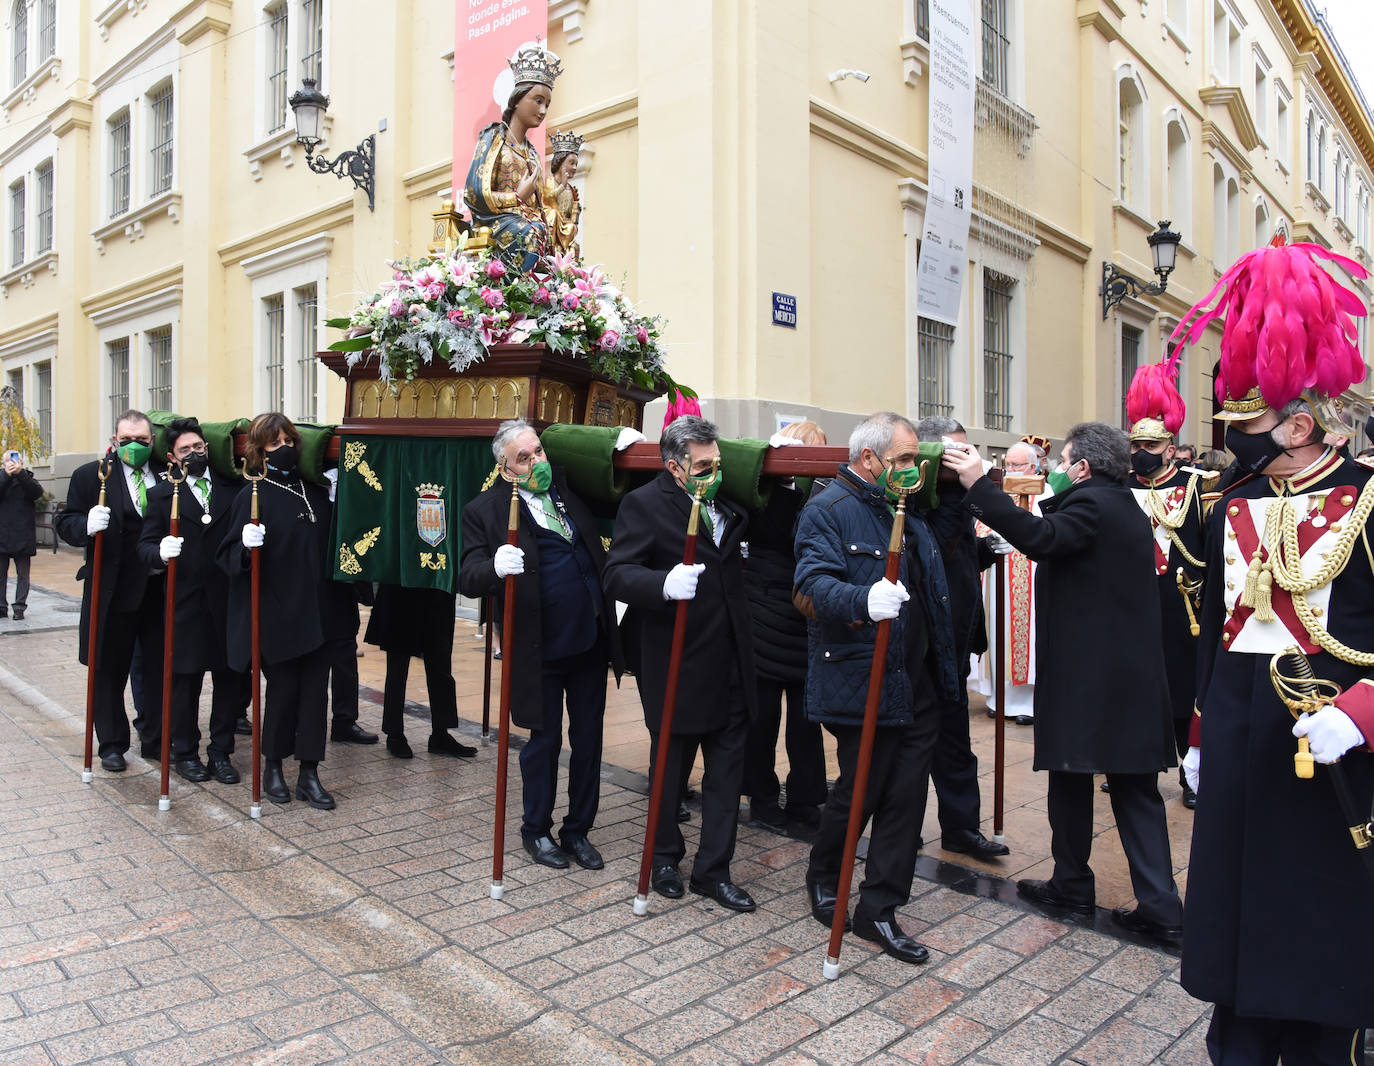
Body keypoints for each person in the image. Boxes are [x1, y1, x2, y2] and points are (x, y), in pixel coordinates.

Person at [1172, 237, 1374, 1063]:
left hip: (1334, 757)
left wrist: (1361, 717)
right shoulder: (1235, 502)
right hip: (1242, 754)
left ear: (1300, 422)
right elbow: (1215, 633)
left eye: (1249, 424)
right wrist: (1198, 733)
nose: (1235, 438)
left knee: (1323, 950)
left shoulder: (1367, 502)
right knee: (1239, 945)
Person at [944, 422, 1185, 947]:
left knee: (1074, 777)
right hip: (1126, 675)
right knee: (1130, 789)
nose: (1056, 471)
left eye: (1064, 462)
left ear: (1081, 467)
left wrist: (979, 484)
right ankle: (1156, 905)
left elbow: (1040, 539)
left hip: (1091, 676)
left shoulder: (1094, 504)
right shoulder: (1121, 503)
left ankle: (1076, 885)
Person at [794, 412, 958, 963]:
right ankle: (825, 873)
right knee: (860, 790)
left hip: (917, 681)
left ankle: (880, 908)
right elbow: (812, 585)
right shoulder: (828, 510)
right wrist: (861, 600)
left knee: (907, 799)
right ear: (869, 459)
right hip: (862, 674)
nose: (914, 470)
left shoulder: (903, 507)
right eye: (905, 459)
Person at [603, 415, 757, 909]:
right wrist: (662, 585)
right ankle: (663, 858)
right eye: (705, 465)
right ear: (674, 467)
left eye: (718, 464)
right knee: (671, 769)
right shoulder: (644, 505)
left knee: (727, 773)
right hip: (677, 661)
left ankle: (715, 870)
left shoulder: (728, 508)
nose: (715, 473)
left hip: (731, 660)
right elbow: (618, 574)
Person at [460, 419, 623, 870]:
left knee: (588, 739)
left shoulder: (567, 494)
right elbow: (467, 575)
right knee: (543, 743)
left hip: (589, 640)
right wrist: (494, 564)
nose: (536, 462)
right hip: (540, 648)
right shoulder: (486, 511)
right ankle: (536, 830)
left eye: (538, 452)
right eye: (524, 458)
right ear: (506, 469)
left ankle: (578, 830)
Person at [217, 413, 337, 810]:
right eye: (274, 443)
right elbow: (227, 557)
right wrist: (245, 548)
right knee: (284, 693)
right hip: (277, 611)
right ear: (259, 450)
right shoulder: (252, 494)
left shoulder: (317, 493)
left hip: (318, 611)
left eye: (288, 440)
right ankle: (272, 766)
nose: (284, 447)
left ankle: (309, 772)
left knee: (316, 695)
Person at [913, 415, 1008, 861]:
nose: (965, 459)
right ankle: (903, 826)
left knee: (955, 741)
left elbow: (955, 561)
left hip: (956, 634)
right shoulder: (918, 496)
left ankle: (961, 827)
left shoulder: (961, 496)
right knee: (911, 744)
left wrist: (984, 551)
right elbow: (929, 555)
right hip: (921, 640)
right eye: (955, 451)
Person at [135, 418, 247, 784]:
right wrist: (158, 554)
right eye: (186, 450)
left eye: (199, 448)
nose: (195, 454)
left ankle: (221, 752)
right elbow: (145, 546)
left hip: (227, 601)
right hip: (185, 603)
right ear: (172, 457)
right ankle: (185, 752)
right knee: (185, 682)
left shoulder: (234, 489)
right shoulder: (162, 495)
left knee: (230, 680)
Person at [55, 410, 165, 772]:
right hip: (113, 591)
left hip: (157, 588)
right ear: (115, 441)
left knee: (157, 668)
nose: (134, 446)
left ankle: (154, 737)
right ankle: (112, 743)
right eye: (126, 440)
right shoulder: (93, 475)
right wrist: (85, 523)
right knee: (109, 669)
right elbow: (65, 521)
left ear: (153, 441)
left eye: (142, 440)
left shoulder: (166, 474)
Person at [1124, 360, 1206, 809]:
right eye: (1136, 444)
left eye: (1151, 444)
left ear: (1170, 448)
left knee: (1185, 692)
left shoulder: (1199, 487)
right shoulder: (1117, 487)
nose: (1142, 451)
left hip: (1183, 609)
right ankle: (1130, 766)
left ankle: (1193, 773)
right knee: (1133, 689)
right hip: (1131, 604)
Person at [741, 419, 828, 833]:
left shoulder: (821, 493)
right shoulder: (768, 494)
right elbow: (778, 534)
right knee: (763, 720)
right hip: (768, 618)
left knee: (805, 722)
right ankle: (763, 799)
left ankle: (804, 799)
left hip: (803, 618)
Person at [974, 438, 1055, 726]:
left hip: (1029, 582)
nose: (1010, 470)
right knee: (998, 632)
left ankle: (1027, 703)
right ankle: (999, 698)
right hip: (998, 578)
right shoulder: (1000, 493)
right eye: (1007, 465)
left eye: (1016, 465)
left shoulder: (1046, 495)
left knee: (1026, 637)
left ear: (1033, 467)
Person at [463, 46, 561, 273]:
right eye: (537, 101)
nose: (543, 109)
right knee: (529, 231)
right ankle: (514, 289)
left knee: (548, 232)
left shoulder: (533, 153)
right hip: (493, 222)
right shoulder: (494, 137)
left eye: (547, 104)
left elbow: (537, 204)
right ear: (517, 99)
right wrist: (516, 198)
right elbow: (473, 192)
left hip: (527, 221)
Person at [364, 584, 476, 760]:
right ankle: (395, 734)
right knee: (397, 668)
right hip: (401, 587)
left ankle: (441, 733)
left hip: (437, 588)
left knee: (441, 663)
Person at [0, 449, 43, 620]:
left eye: (15, 461)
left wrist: (20, 474)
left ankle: (19, 608)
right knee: (0, 575)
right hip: (2, 534)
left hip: (23, 536)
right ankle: (1, 607)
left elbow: (37, 493)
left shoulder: (27, 479)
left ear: (21, 463)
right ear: (3, 464)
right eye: (8, 461)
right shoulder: (2, 479)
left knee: (23, 574)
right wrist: (6, 476)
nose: (12, 464)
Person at [542, 130, 583, 258]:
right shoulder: (550, 182)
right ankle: (550, 250)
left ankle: (563, 254)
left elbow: (573, 214)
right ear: (560, 163)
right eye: (571, 163)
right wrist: (562, 186)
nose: (575, 167)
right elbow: (548, 198)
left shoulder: (571, 190)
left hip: (565, 225)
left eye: (576, 164)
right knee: (553, 214)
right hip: (551, 220)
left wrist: (576, 212)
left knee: (571, 227)